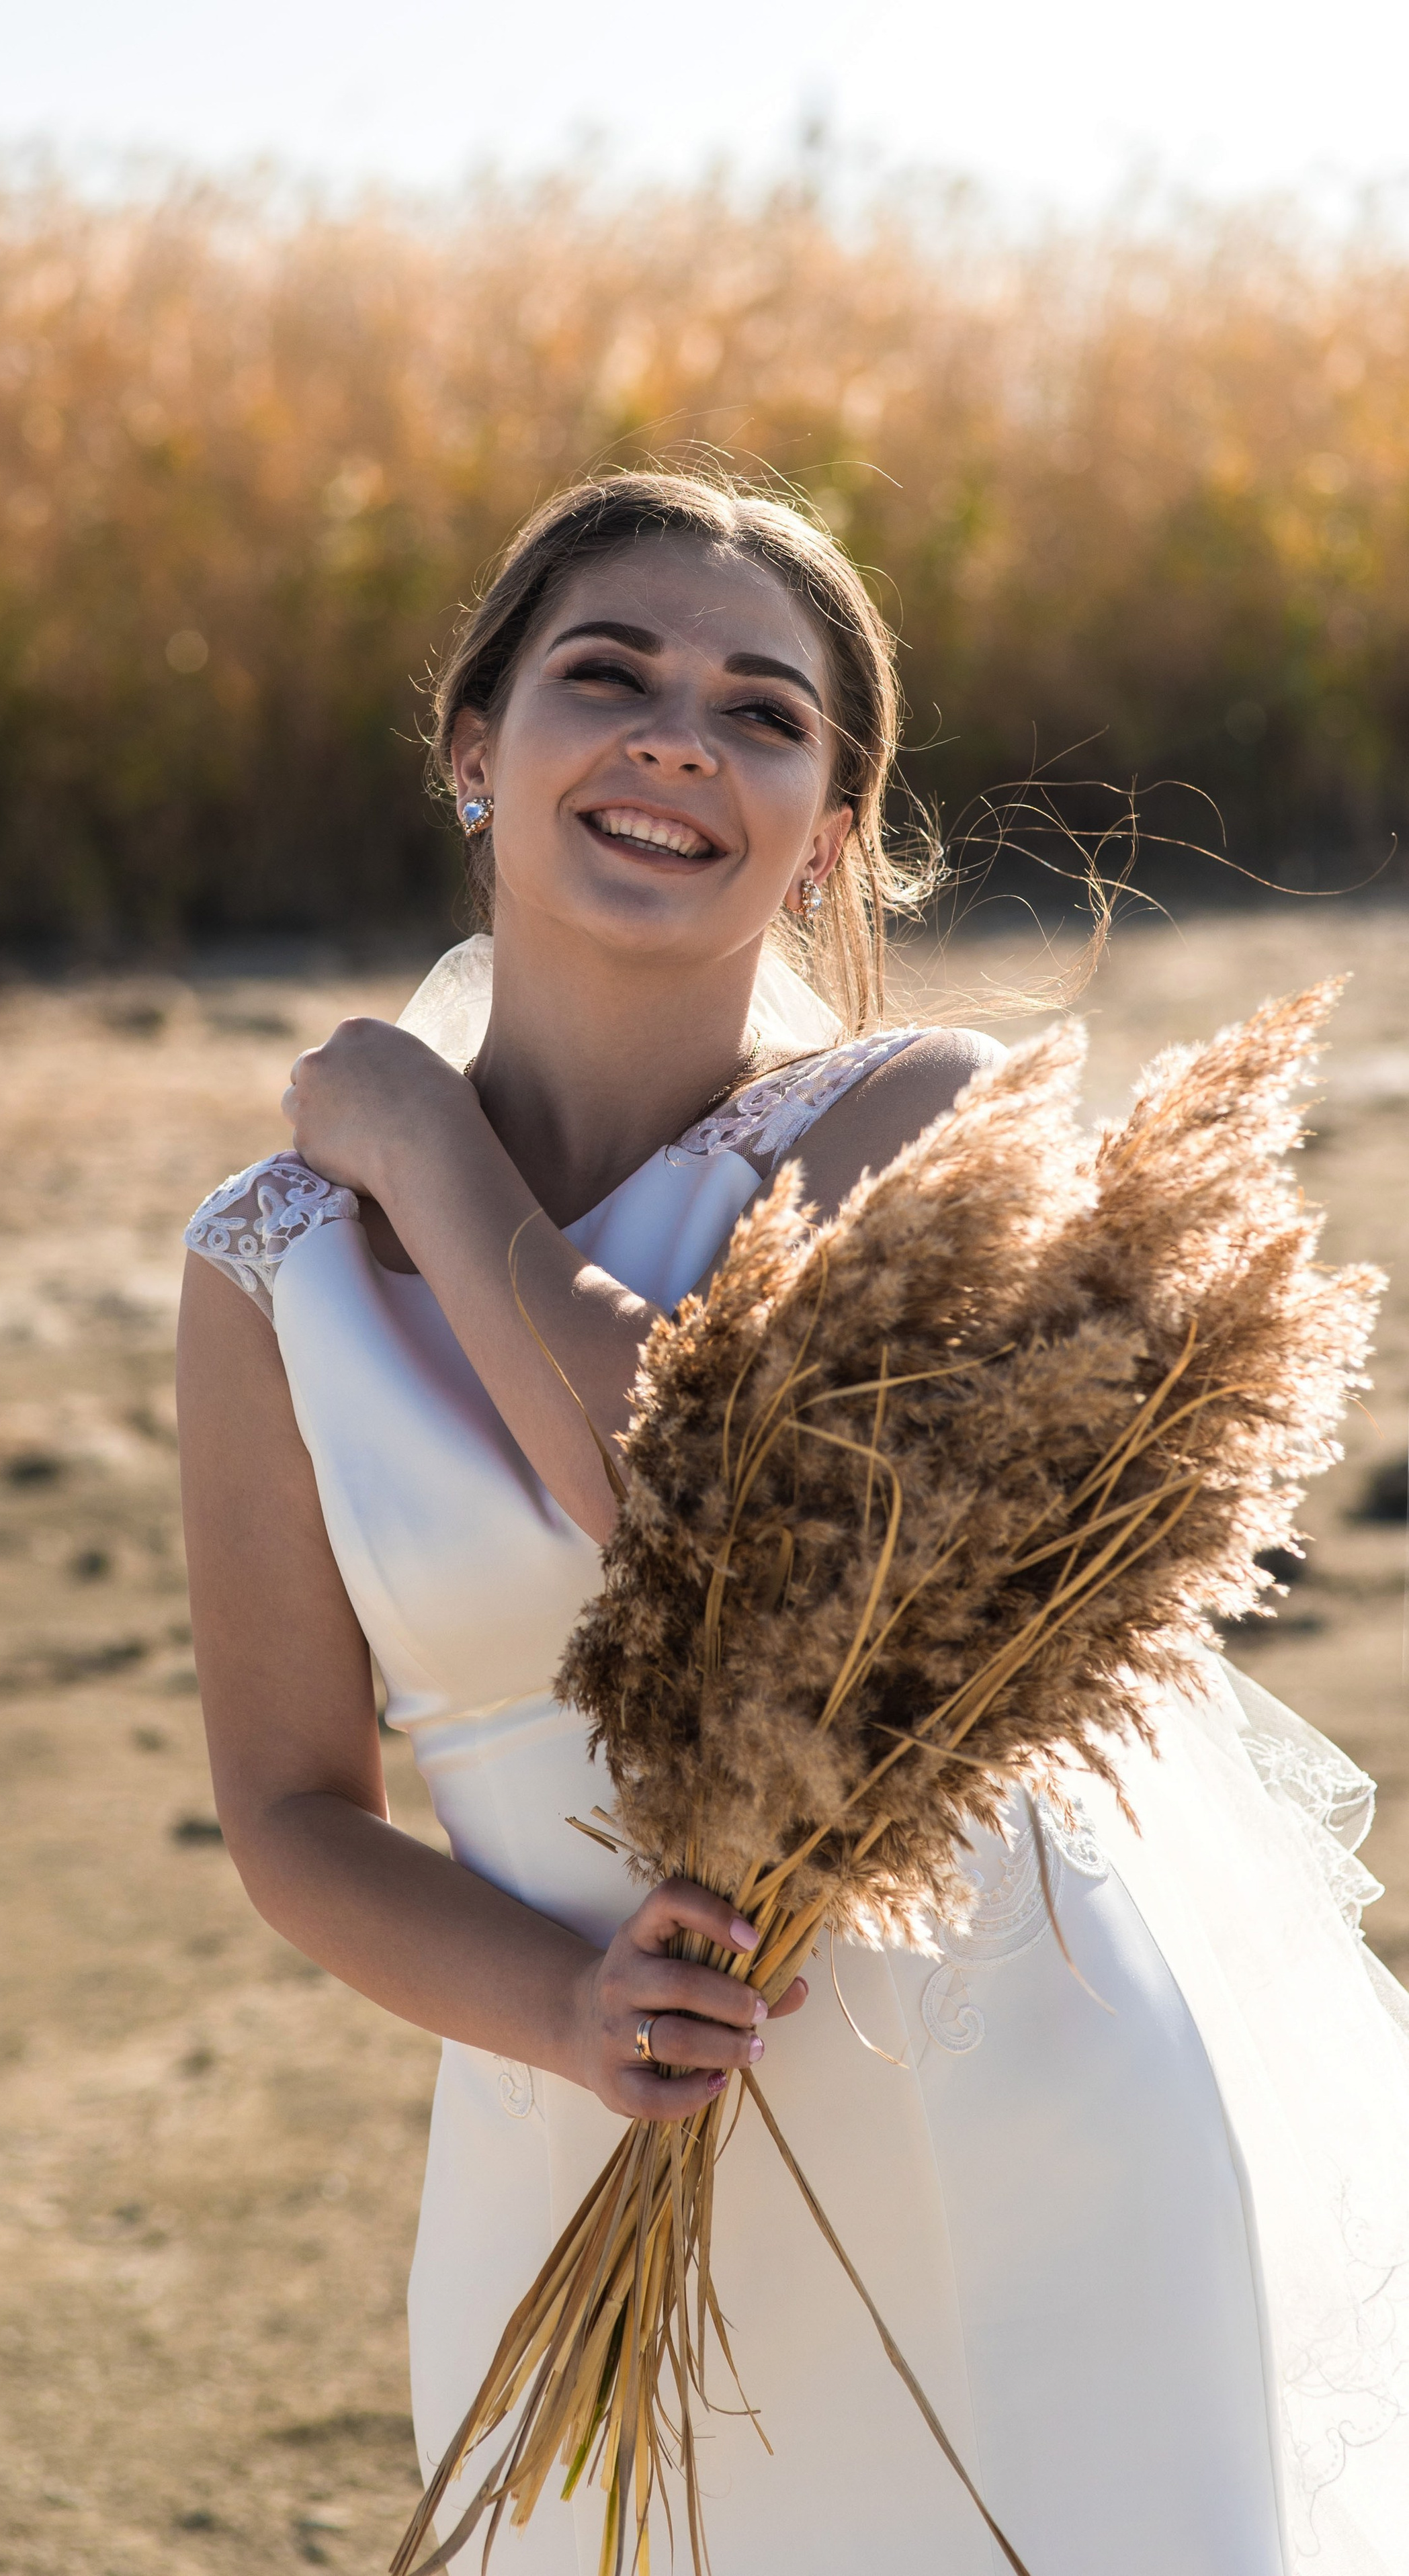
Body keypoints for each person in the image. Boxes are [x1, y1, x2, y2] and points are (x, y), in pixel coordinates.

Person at [176, 470, 1409, 2573]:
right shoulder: (267, 1261)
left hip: (1000, 2080)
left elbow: (695, 1519)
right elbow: (294, 1810)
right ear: (476, 752)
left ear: (829, 829)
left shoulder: (911, 1120)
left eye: (764, 713)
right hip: (577, 2095)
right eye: (610, 674)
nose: (680, 735)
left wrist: (417, 1132)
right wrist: (565, 2014)